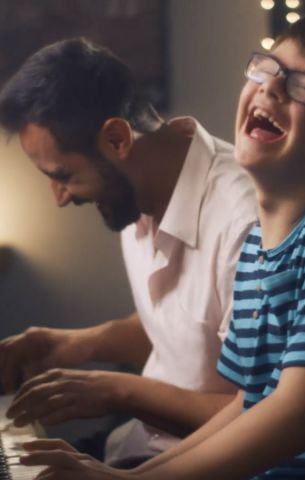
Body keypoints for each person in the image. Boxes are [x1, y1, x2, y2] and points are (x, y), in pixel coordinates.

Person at [19, 15, 305, 480]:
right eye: (267, 70)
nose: (270, 89)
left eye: (301, 87)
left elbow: (297, 417)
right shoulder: (260, 244)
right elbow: (248, 405)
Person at [0, 37, 257, 468]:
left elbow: (259, 414)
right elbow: (190, 326)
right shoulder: (136, 194)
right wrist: (78, 344)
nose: (60, 198)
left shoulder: (245, 223)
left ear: (118, 138)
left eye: (63, 175)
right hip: (137, 443)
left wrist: (116, 390)